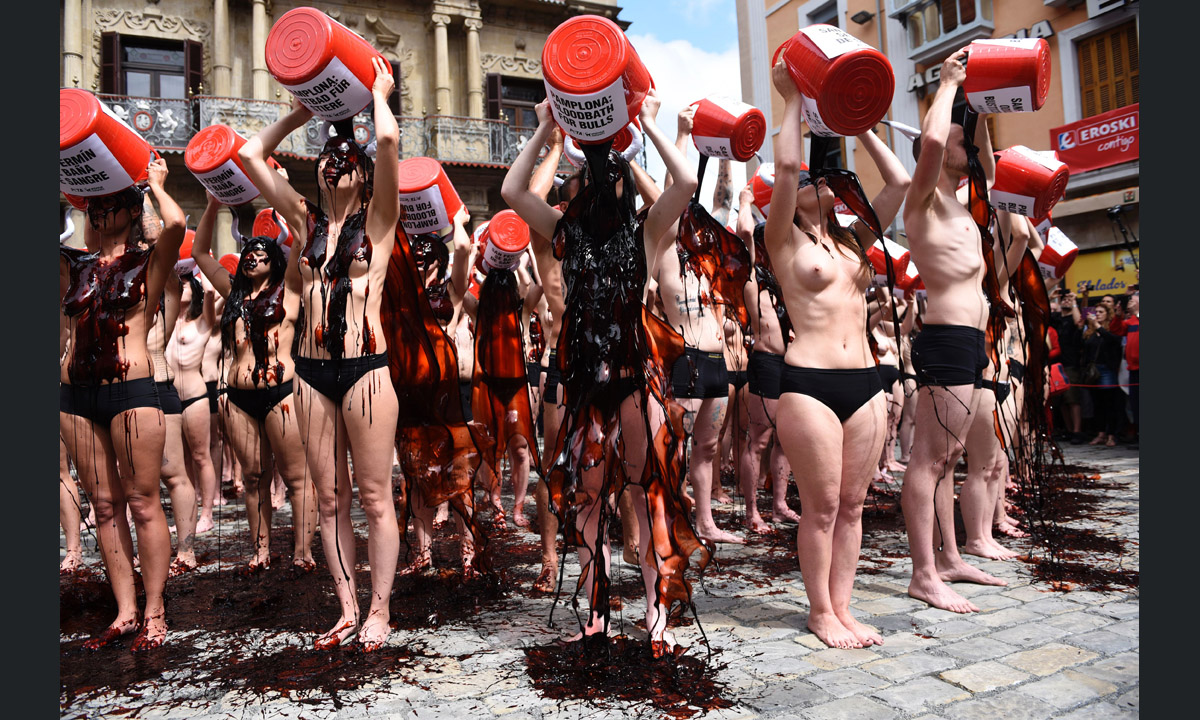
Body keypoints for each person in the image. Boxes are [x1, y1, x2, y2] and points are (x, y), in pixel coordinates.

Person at [502, 90, 705, 651]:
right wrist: (544, 127)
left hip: (636, 379)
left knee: (648, 493)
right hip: (584, 382)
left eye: (611, 179)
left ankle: (656, 604)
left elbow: (684, 186)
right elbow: (513, 191)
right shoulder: (566, 236)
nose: (599, 187)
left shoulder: (644, 233)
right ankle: (592, 609)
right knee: (589, 498)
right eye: (591, 182)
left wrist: (644, 127)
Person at [239, 57, 401, 651]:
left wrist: (378, 92)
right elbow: (254, 157)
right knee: (329, 498)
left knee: (376, 496)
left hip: (367, 370)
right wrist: (302, 111)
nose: (335, 167)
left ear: (361, 174)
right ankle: (347, 607)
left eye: (345, 162)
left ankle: (380, 609)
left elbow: (385, 138)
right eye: (326, 163)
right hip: (308, 372)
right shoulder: (301, 222)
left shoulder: (380, 221)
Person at [767, 59, 911, 648]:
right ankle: (819, 611)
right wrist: (792, 99)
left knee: (853, 505)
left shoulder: (854, 239)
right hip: (809, 385)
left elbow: (899, 183)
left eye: (819, 175)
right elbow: (782, 163)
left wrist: (858, 120)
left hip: (866, 383)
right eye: (807, 178)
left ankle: (844, 607)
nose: (814, 179)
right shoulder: (782, 237)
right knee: (821, 507)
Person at [60, 157, 185, 649]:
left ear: (131, 210)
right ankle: (126, 610)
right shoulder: (73, 265)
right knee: (105, 506)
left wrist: (154, 184)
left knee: (143, 502)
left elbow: (175, 222)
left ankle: (156, 610)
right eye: (92, 203)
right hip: (74, 395)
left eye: (108, 202)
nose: (97, 209)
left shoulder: (150, 263)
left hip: (132, 390)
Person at [900, 47, 1006, 615]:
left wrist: (980, 108)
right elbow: (936, 143)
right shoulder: (924, 201)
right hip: (944, 339)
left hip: (972, 343)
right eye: (958, 144)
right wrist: (945, 84)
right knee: (929, 460)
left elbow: (975, 150)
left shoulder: (964, 206)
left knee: (951, 459)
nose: (967, 150)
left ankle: (949, 557)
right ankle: (923, 573)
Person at [192, 192, 319, 571]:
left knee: (296, 478)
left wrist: (282, 200)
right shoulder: (233, 293)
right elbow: (200, 254)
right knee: (252, 478)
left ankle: (302, 552)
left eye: (263, 251)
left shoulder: (290, 288)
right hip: (238, 397)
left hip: (281, 393)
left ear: (276, 261)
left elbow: (302, 236)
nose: (253, 255)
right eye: (248, 251)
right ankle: (261, 550)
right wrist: (212, 205)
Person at [653, 105, 741, 545]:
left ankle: (706, 521)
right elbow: (673, 194)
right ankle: (670, 520)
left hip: (716, 363)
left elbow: (724, 203)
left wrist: (726, 150)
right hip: (683, 358)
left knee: (707, 449)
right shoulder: (666, 251)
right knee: (677, 448)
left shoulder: (709, 260)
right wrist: (681, 134)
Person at [735, 189, 800, 534]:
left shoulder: (784, 280)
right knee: (758, 440)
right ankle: (751, 512)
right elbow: (744, 232)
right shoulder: (752, 278)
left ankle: (779, 504)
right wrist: (746, 201)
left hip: (791, 366)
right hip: (766, 363)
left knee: (785, 439)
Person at [167, 265, 220, 533]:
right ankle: (186, 516)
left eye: (186, 283)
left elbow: (211, 290)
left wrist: (197, 262)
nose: (181, 285)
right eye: (179, 283)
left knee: (201, 457)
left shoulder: (202, 323)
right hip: (171, 399)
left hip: (196, 396)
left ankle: (207, 514)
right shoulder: (162, 323)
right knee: (182, 462)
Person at [1083, 304, 1125, 447]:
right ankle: (1101, 433)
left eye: (1101, 312)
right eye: (1096, 312)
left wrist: (1098, 326)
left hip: (1107, 370)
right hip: (1093, 372)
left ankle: (1112, 435)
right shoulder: (1090, 332)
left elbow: (1114, 341)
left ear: (1108, 314)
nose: (1098, 314)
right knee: (1097, 404)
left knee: (1110, 404)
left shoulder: (1111, 329)